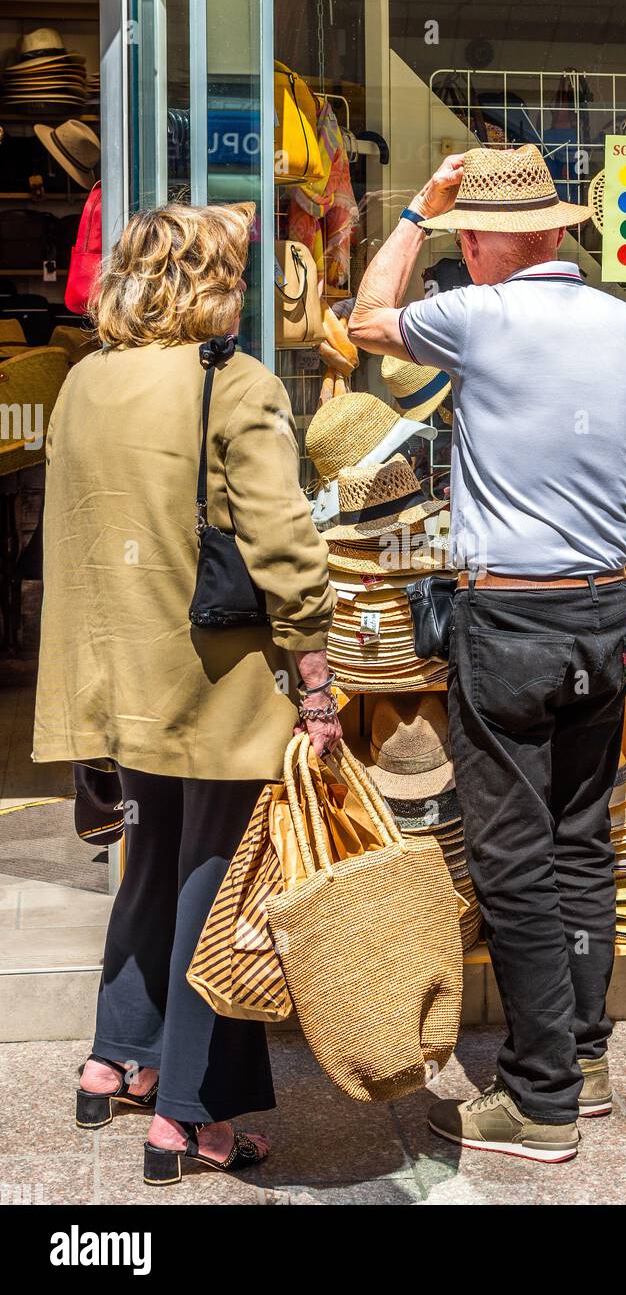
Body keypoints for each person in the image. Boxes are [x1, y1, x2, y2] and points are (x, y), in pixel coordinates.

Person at [349, 145, 626, 1163]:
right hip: (605, 614)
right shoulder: (623, 323)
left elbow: (360, 321)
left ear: (483, 241)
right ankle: (583, 1056)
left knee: (514, 856)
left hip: (511, 621)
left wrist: (411, 216)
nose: (459, 253)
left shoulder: (476, 316)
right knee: (579, 841)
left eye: (463, 238)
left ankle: (538, 1098)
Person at [33, 202, 339, 1183]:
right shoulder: (234, 382)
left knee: (150, 856)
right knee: (220, 884)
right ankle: (192, 1114)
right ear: (212, 281)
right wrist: (319, 681)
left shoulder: (83, 382)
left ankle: (114, 1057)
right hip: (214, 678)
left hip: (113, 668)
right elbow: (283, 546)